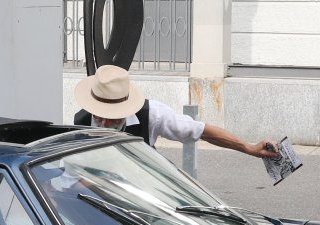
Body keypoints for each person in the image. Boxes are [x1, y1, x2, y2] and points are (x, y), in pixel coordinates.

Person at [72, 65, 281, 159]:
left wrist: (248, 147)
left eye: (113, 115)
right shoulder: (79, 122)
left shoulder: (151, 114)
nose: (105, 122)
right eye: (100, 114)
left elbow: (201, 130)